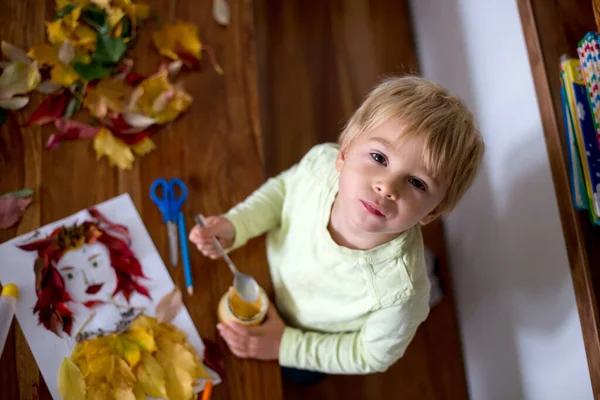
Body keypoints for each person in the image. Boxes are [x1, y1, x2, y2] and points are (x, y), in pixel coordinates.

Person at [189, 75, 484, 385]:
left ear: (432, 212)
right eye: (379, 157)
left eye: (417, 183)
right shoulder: (320, 167)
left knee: (294, 375)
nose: (386, 187)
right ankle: (429, 262)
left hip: (318, 330)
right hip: (279, 272)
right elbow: (282, 192)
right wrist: (238, 224)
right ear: (342, 154)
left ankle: (430, 278)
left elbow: (372, 354)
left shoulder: (401, 293)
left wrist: (284, 345)